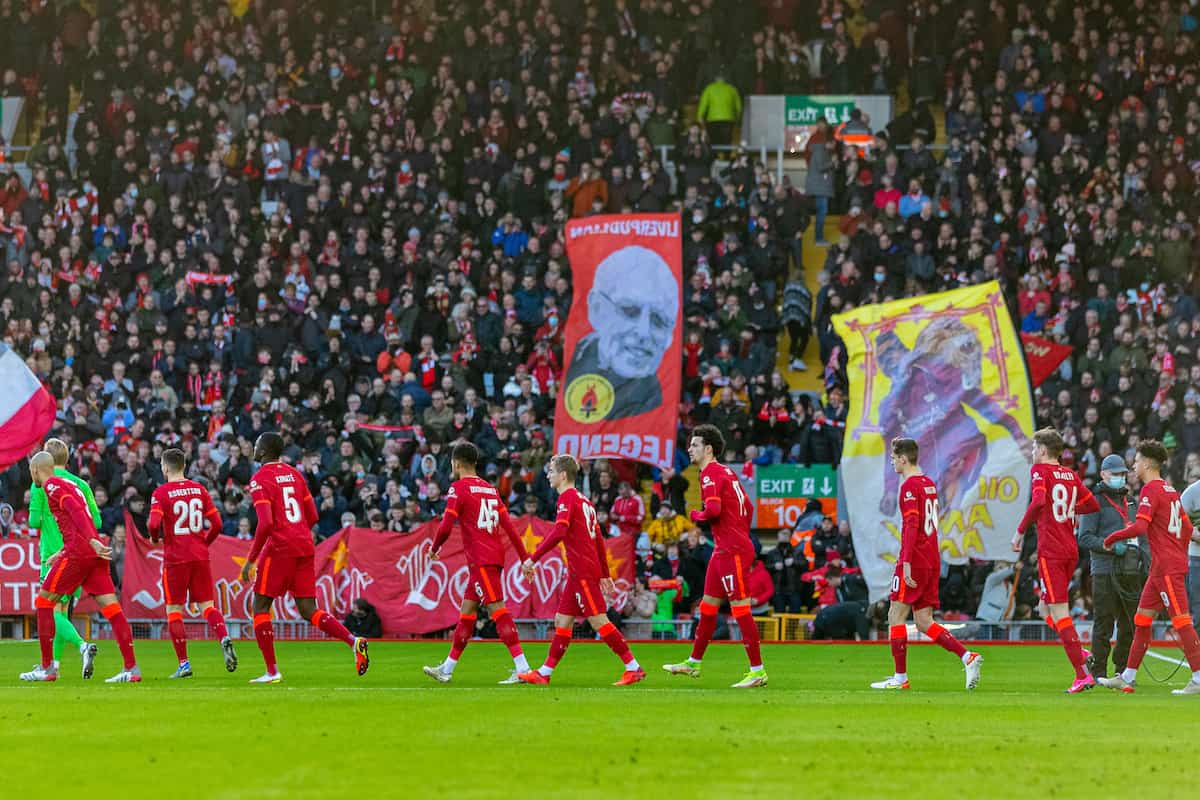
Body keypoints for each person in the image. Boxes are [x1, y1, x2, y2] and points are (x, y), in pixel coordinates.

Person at [238, 432, 369, 683]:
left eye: (256, 445)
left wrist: (252, 559)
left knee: (260, 606)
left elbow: (265, 523)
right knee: (309, 609)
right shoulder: (295, 474)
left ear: (264, 451)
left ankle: (272, 671)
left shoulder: (259, 480)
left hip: (280, 548)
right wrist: (295, 531)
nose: (253, 448)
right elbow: (313, 515)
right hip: (304, 546)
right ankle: (354, 641)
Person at [519, 453, 644, 685]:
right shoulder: (585, 501)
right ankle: (544, 673)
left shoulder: (566, 498)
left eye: (551, 471)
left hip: (583, 572)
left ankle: (633, 667)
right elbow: (598, 540)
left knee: (598, 620)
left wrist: (532, 559)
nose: (548, 475)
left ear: (563, 475)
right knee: (562, 620)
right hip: (581, 571)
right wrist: (605, 573)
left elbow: (559, 531)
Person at [870, 438, 982, 691]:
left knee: (895, 615)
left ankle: (900, 678)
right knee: (923, 621)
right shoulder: (928, 483)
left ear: (903, 458)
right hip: (931, 557)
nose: (891, 461)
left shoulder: (909, 487)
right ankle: (968, 657)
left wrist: (906, 562)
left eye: (893, 457)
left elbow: (911, 525)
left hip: (916, 558)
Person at [21, 451, 141, 683]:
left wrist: (90, 540)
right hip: (88, 552)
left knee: (44, 603)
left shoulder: (52, 486)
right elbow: (79, 516)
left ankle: (47, 669)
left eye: (31, 471)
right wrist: (64, 551)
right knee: (112, 609)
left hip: (82, 551)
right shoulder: (72, 484)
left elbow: (76, 511)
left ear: (36, 470)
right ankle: (132, 669)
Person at [662, 424, 767, 688]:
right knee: (707, 606)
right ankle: (693, 662)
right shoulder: (727, 472)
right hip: (727, 547)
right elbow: (748, 506)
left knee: (740, 608)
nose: (689, 449)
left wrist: (696, 516)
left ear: (708, 449)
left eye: (694, 444)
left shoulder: (709, 473)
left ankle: (757, 671)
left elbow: (712, 510)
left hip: (731, 549)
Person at [423, 442, 532, 684]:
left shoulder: (458, 488)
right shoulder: (491, 490)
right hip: (488, 559)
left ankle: (523, 667)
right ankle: (447, 668)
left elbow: (446, 524)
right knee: (467, 614)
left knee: (498, 611)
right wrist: (524, 559)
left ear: (456, 463)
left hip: (481, 560)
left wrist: (434, 548)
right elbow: (510, 528)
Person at [1100, 440, 1200, 695]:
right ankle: (1128, 677)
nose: (1133, 465)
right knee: (1142, 620)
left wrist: (1112, 538)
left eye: (1136, 460)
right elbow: (1188, 528)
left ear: (1146, 463)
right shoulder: (1169, 489)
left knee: (1181, 622)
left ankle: (1199, 678)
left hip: (1167, 567)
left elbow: (1141, 527)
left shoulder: (1151, 490)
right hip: (1161, 568)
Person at [1011, 428, 1101, 691]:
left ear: (1042, 450)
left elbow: (1039, 500)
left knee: (1060, 613)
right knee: (1044, 609)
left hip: (1051, 551)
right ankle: (1079, 652)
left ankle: (1082, 674)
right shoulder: (1070, 475)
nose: (1031, 453)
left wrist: (1019, 531)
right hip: (1070, 549)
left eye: (1033, 448)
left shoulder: (1040, 471)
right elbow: (1092, 505)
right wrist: (1070, 508)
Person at [147, 448, 237, 678]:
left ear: (165, 467)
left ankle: (184, 664)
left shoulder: (161, 492)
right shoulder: (199, 489)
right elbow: (217, 523)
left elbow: (153, 523)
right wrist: (203, 543)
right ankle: (224, 637)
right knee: (208, 606)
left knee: (174, 610)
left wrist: (156, 538)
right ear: (184, 466)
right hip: (199, 556)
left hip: (176, 558)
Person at [561, 245, 679, 421]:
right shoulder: (568, 370)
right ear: (597, 309)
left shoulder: (659, 405)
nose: (644, 332)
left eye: (659, 320)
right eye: (630, 310)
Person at [26, 438, 98, 678]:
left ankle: (81, 646)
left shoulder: (41, 486)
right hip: (78, 552)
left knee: (50, 610)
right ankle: (53, 665)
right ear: (67, 458)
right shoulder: (81, 485)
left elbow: (33, 522)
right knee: (62, 609)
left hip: (53, 555)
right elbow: (95, 522)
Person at [1077, 454, 1147, 680]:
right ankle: (1098, 672)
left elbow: (1142, 536)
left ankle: (1121, 670)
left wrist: (1144, 560)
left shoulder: (1132, 502)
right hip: (1104, 570)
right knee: (1103, 623)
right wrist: (1108, 545)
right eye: (1115, 473)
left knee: (1130, 624)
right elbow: (1085, 537)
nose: (1120, 477)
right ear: (1103, 474)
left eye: (1122, 474)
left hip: (1130, 570)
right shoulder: (1092, 502)